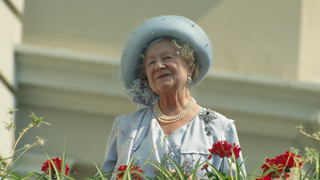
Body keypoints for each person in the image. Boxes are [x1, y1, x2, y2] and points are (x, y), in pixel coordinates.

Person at [99, 15, 246, 179]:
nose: (159, 66)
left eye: (167, 57)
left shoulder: (219, 129)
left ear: (190, 66)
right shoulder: (126, 127)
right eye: (151, 62)